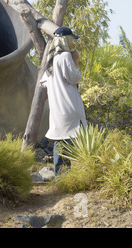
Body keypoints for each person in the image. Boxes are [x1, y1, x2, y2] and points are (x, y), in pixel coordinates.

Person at [40, 26, 87, 176]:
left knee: (59, 142)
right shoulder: (66, 56)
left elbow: (44, 82)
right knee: (69, 143)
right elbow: (74, 78)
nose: (72, 44)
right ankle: (67, 177)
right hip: (69, 108)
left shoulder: (51, 60)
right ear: (66, 40)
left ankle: (60, 177)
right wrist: (75, 61)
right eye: (71, 40)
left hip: (57, 109)